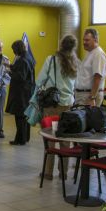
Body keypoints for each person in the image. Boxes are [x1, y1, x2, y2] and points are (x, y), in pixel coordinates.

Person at [35, 35, 79, 180]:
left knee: (51, 138)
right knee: (65, 140)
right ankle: (63, 172)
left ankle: (48, 172)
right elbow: (76, 84)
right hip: (68, 104)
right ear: (73, 47)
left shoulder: (51, 60)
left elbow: (40, 79)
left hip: (52, 105)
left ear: (61, 45)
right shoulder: (75, 62)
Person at [6, 40, 35, 146]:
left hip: (21, 93)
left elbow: (20, 76)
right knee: (25, 116)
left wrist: (9, 72)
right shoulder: (28, 57)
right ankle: (25, 137)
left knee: (20, 117)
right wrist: (11, 66)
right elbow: (23, 71)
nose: (13, 52)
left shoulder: (22, 59)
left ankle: (20, 140)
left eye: (14, 49)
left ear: (17, 49)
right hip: (27, 92)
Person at [75, 28, 106, 107]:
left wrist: (92, 98)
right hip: (83, 96)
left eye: (87, 40)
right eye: (83, 40)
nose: (84, 42)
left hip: (89, 97)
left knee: (88, 119)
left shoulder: (98, 54)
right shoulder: (90, 53)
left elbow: (97, 77)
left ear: (95, 40)